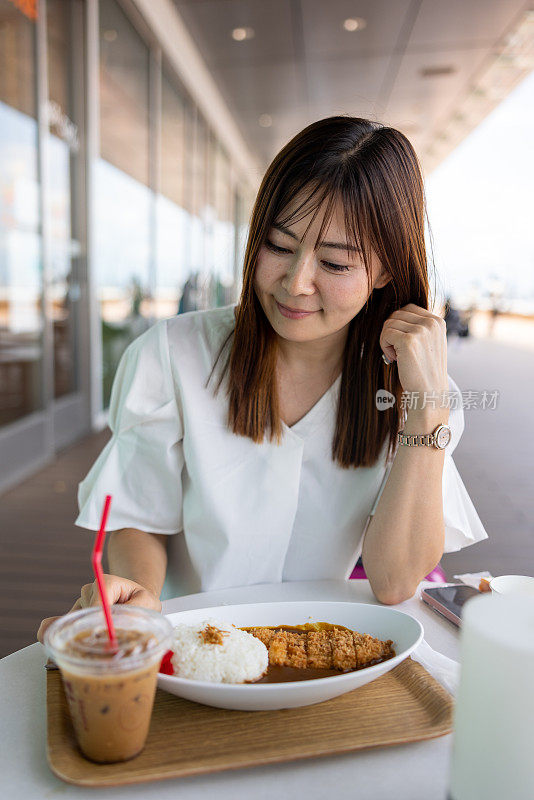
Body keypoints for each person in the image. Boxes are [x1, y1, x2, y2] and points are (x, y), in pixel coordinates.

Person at [38, 117, 488, 643]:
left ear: (387, 270)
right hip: (192, 645)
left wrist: (427, 409)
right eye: (279, 245)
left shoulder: (415, 389)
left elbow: (394, 581)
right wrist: (138, 600)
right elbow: (139, 513)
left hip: (324, 652)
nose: (296, 283)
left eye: (335, 263)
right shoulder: (174, 354)